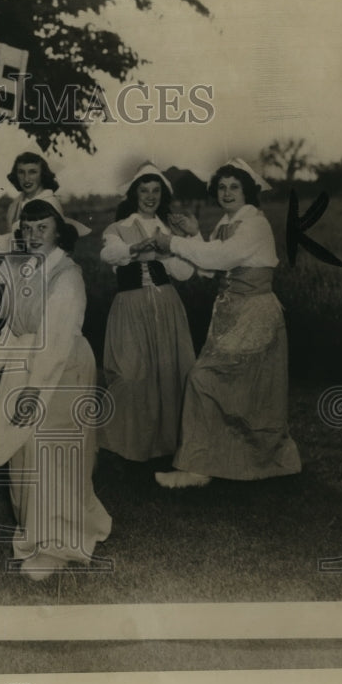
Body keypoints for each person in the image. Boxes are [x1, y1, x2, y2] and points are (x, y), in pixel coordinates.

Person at [0, 197, 112, 581]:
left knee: (52, 452)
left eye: (43, 227)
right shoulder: (24, 270)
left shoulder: (67, 276)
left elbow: (54, 342)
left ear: (59, 231)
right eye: (28, 227)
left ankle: (56, 547)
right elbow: (11, 333)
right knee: (23, 452)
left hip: (61, 369)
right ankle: (47, 531)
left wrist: (34, 391)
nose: (34, 234)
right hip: (27, 368)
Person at [152, 159, 302, 488]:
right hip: (231, 314)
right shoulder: (227, 222)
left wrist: (174, 243)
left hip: (254, 315)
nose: (227, 192)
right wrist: (194, 235)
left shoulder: (254, 224)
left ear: (248, 191)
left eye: (234, 187)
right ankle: (258, 462)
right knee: (244, 394)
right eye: (221, 187)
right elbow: (213, 268)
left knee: (204, 380)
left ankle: (198, 468)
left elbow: (220, 258)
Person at [98, 163, 197, 464]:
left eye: (156, 191)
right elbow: (108, 255)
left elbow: (184, 273)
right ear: (134, 194)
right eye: (144, 190)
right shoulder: (118, 228)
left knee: (170, 373)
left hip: (166, 305)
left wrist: (180, 245)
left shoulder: (170, 228)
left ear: (162, 195)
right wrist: (135, 248)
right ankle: (128, 445)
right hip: (130, 307)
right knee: (130, 374)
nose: (150, 196)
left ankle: (167, 445)